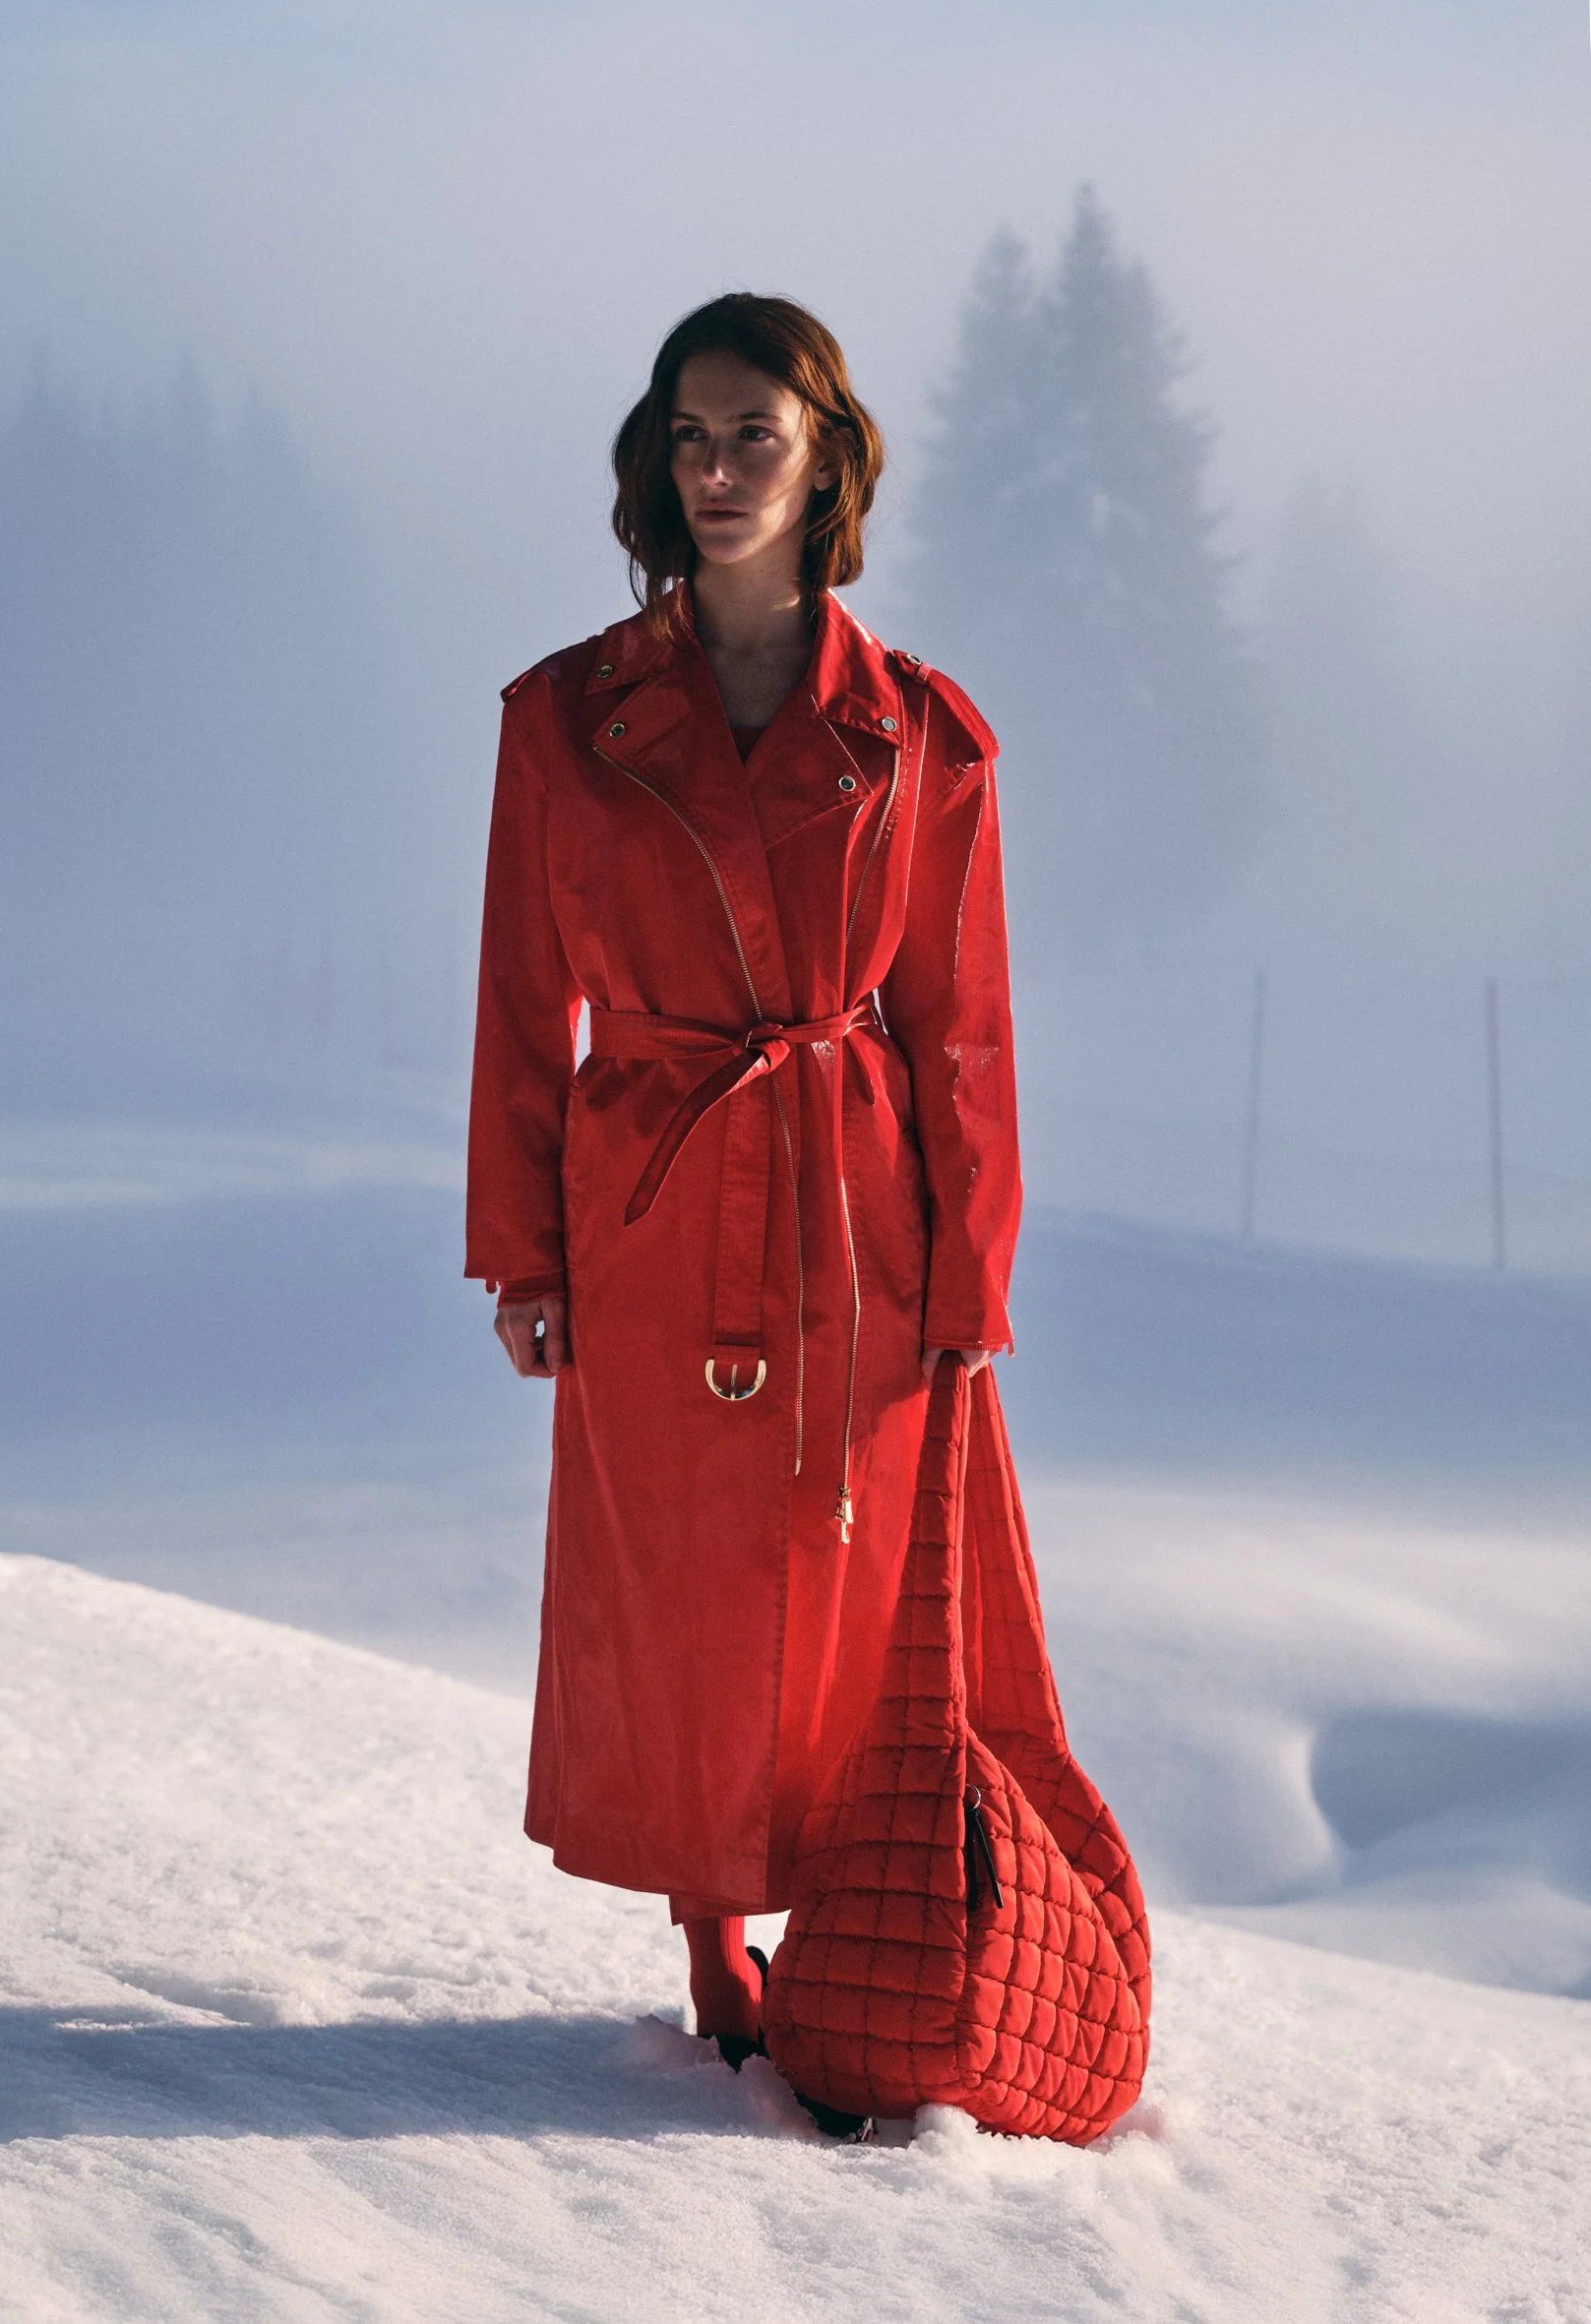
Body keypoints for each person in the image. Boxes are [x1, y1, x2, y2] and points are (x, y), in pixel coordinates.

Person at [465, 293, 1018, 2064]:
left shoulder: (924, 733)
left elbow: (962, 1027)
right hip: (649, 1202)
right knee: (691, 1579)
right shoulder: (562, 718)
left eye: (752, 440)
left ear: (825, 460)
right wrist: (520, 1255)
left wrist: (972, 1273)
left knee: (847, 1577)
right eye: (689, 439)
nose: (714, 473)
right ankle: (716, 1933)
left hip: (857, 1210)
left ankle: (861, 1922)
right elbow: (512, 1002)